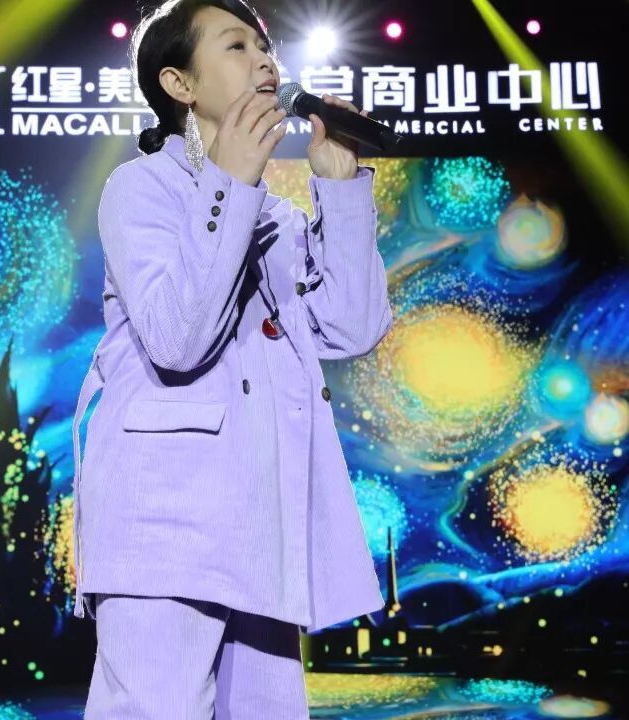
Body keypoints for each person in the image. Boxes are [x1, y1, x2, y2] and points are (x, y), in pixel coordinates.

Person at [70, 0, 393, 716]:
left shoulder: (275, 214)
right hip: (163, 521)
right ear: (180, 83)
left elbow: (352, 328)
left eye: (265, 46)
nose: (265, 61)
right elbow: (177, 341)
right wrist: (232, 184)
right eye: (237, 46)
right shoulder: (140, 188)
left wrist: (339, 185)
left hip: (262, 521)